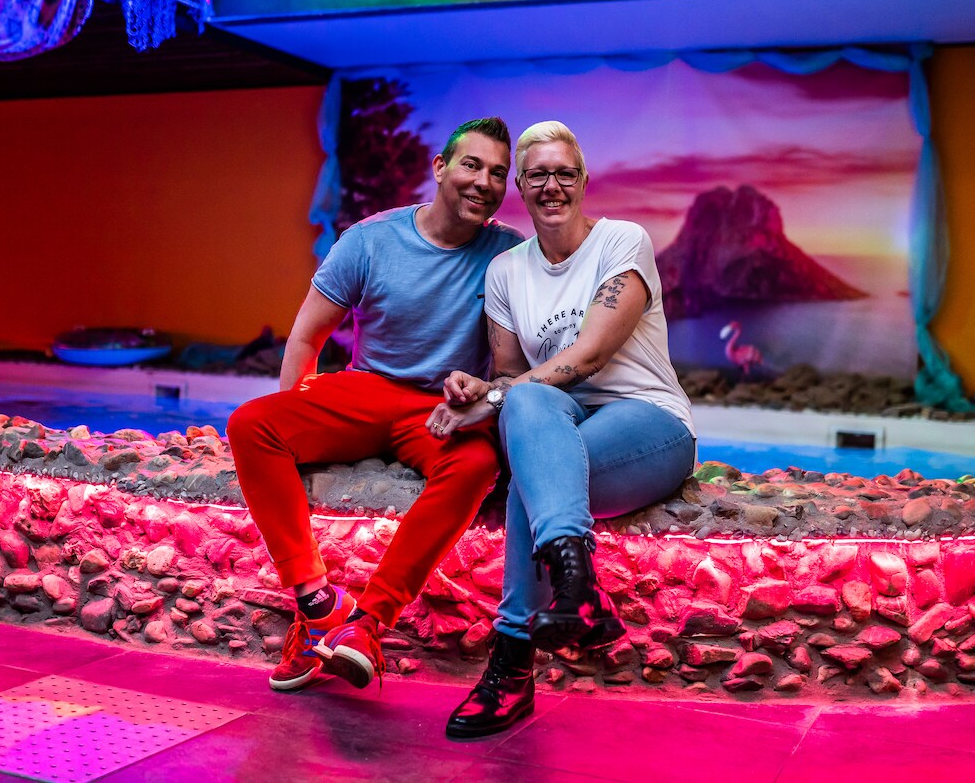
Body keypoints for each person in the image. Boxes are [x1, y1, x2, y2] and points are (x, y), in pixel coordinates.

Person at [227, 117, 523, 693]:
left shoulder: (511, 253)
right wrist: (297, 428)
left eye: (497, 173)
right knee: (252, 424)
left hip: (439, 406)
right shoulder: (370, 239)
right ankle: (317, 605)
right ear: (440, 168)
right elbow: (306, 337)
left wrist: (483, 394)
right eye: (471, 165)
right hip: (364, 390)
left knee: (476, 463)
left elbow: (520, 360)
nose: (483, 182)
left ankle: (366, 625)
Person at [425, 121, 695, 738]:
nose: (552, 186)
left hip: (648, 422)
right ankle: (579, 589)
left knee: (533, 472)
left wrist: (493, 398)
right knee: (530, 421)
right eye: (538, 175)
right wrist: (483, 389)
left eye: (564, 174)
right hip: (556, 422)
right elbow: (512, 376)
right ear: (520, 186)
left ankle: (512, 662)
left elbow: (590, 355)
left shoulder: (622, 241)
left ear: (584, 180)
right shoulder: (505, 271)